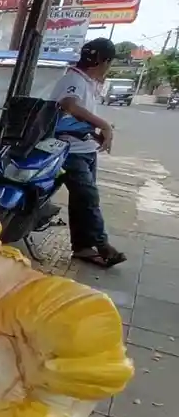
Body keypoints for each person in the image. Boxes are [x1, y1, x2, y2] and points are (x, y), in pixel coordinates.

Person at [50, 37, 125, 268]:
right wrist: (104, 124)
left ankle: (82, 247)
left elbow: (76, 119)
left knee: (82, 200)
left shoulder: (88, 82)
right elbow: (69, 106)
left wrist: (96, 133)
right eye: (108, 63)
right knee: (88, 198)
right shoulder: (73, 79)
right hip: (70, 152)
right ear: (103, 61)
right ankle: (103, 246)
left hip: (85, 150)